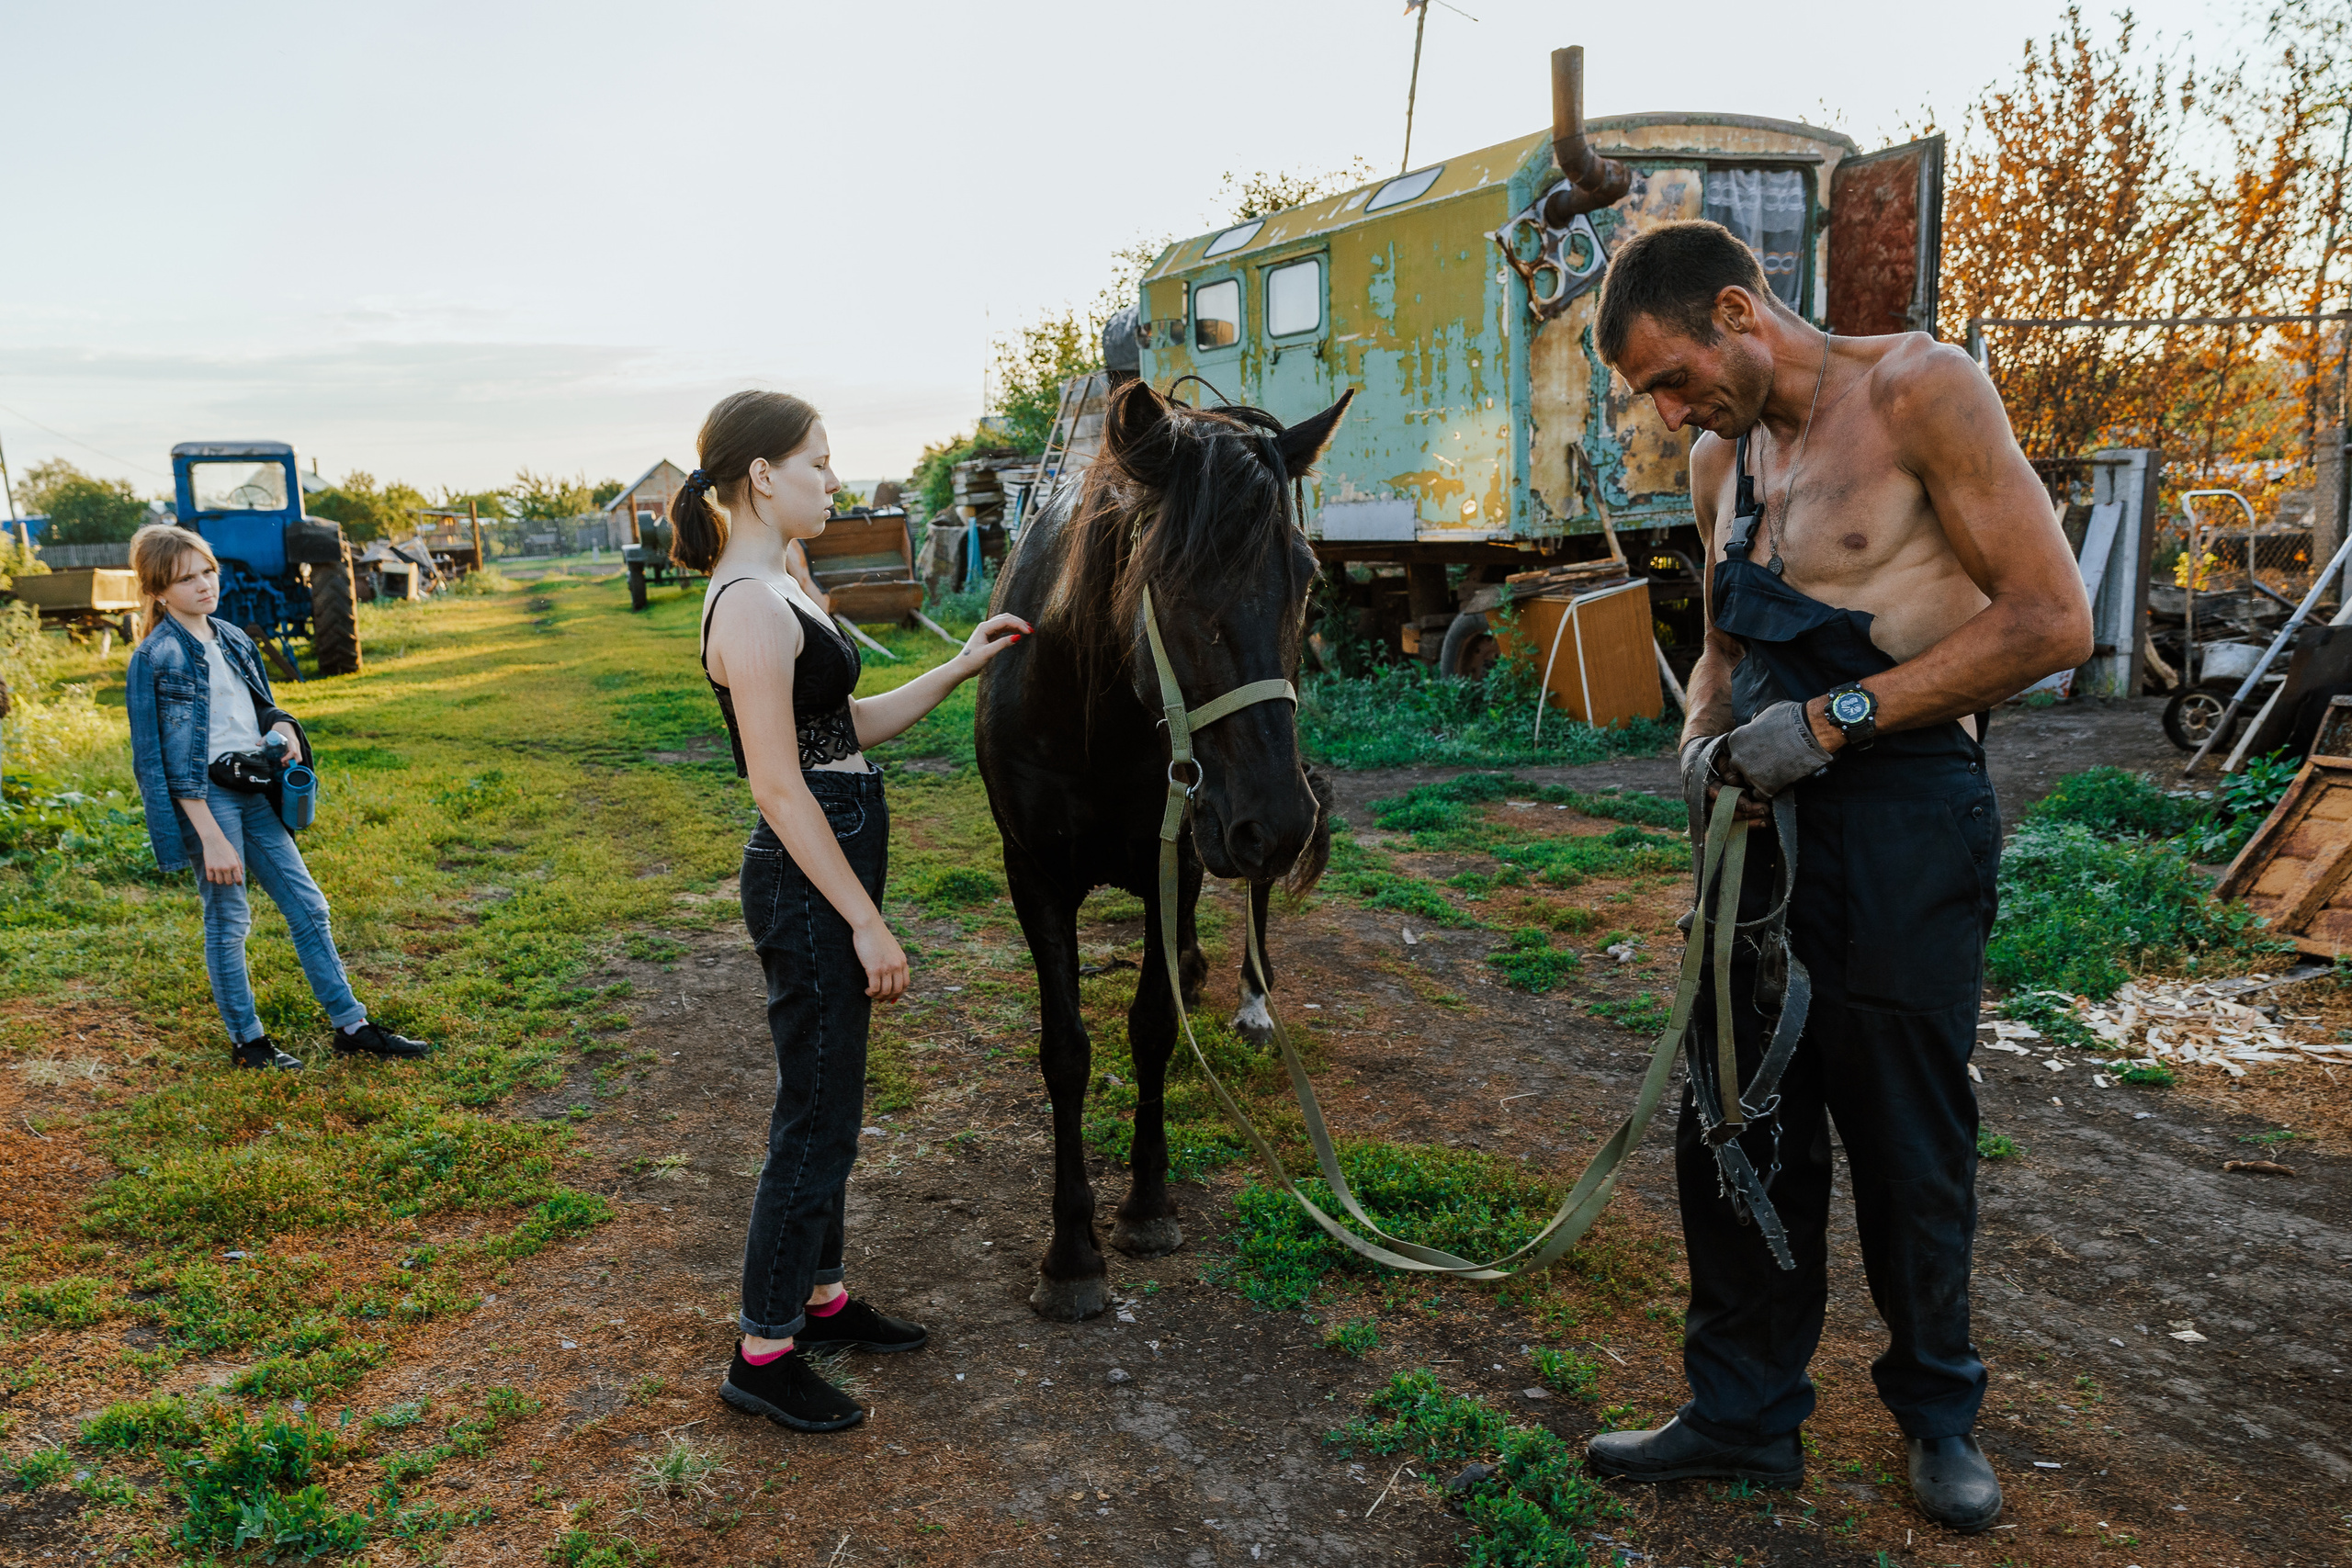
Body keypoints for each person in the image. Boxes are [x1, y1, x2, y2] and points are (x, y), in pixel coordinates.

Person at [1585, 221, 2091, 1531]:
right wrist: (1702, 734)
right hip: (1754, 830)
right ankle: (1742, 1412)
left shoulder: (1924, 390)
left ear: (1741, 311)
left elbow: (2051, 619)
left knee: (1908, 1132)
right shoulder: (1722, 461)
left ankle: (1939, 1413)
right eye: (1655, 396)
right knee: (1737, 1117)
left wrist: (1828, 725)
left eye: (1674, 379)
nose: (1670, 412)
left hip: (1903, 820)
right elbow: (1714, 640)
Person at [676, 390, 1027, 1433]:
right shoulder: (743, 603)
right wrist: (865, 922)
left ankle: (818, 1300)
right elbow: (779, 786)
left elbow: (845, 723)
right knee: (813, 1117)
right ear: (760, 478)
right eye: (819, 464)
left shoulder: (780, 586)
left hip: (831, 850)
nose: (833, 481)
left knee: (832, 1095)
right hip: (804, 871)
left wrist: (959, 667)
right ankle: (763, 1350)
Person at [123, 523, 435, 1072]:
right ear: (157, 592)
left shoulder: (234, 637)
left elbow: (257, 707)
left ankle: (352, 1026)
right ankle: (249, 1043)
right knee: (229, 920)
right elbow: (162, 761)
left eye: (208, 571)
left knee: (309, 905)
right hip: (208, 803)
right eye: (185, 579)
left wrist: (284, 726)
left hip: (255, 791)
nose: (203, 586)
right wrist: (211, 839)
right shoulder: (156, 659)